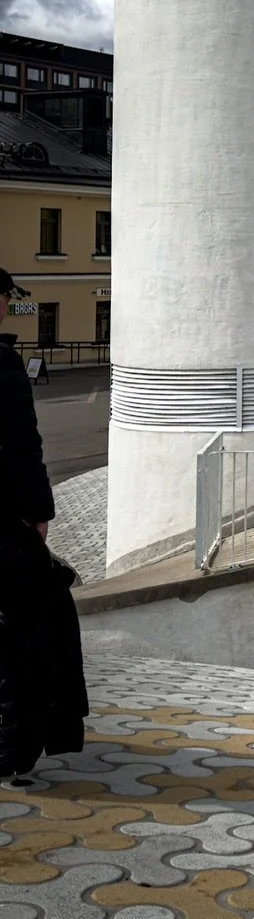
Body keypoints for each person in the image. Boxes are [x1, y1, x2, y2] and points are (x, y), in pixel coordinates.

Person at [0, 267, 87, 785]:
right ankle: (12, 752)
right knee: (24, 629)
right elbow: (21, 447)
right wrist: (38, 515)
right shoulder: (3, 364)